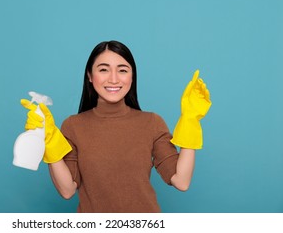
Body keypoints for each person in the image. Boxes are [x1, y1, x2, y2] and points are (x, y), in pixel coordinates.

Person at [21, 40, 211, 213]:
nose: (113, 79)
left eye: (122, 70)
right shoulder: (73, 126)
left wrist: (190, 121)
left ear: (132, 76)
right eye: (103, 70)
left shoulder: (152, 123)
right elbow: (67, 190)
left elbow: (181, 181)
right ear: (89, 75)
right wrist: (50, 141)